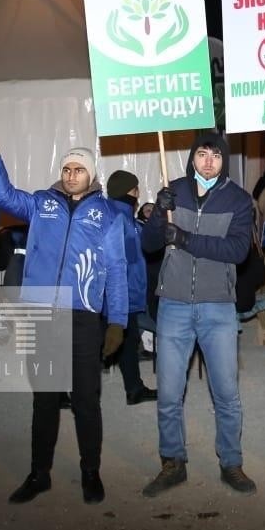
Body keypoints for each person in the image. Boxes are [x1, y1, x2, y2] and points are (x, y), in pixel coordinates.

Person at [0, 133, 129, 505]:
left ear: (90, 174)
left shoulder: (107, 215)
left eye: (78, 169)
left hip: (82, 317)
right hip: (42, 313)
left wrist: (117, 322)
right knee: (44, 399)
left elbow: (118, 268)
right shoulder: (42, 203)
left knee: (86, 401)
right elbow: (3, 197)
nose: (71, 174)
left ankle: (90, 471)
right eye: (66, 168)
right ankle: (38, 474)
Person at [139, 131, 257, 497]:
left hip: (218, 305)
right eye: (202, 154)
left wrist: (187, 239)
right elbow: (149, 244)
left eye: (215, 155)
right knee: (169, 393)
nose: (208, 161)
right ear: (192, 158)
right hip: (173, 304)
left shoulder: (238, 200)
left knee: (226, 392)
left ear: (223, 161)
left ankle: (231, 462)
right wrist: (159, 213)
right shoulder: (174, 191)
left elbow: (237, 250)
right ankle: (172, 462)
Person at [104, 170, 158, 406]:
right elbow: (124, 260)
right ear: (132, 191)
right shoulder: (120, 219)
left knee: (128, 340)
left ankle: (134, 389)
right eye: (137, 189)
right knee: (100, 340)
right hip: (120, 292)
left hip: (127, 292)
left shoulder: (126, 217)